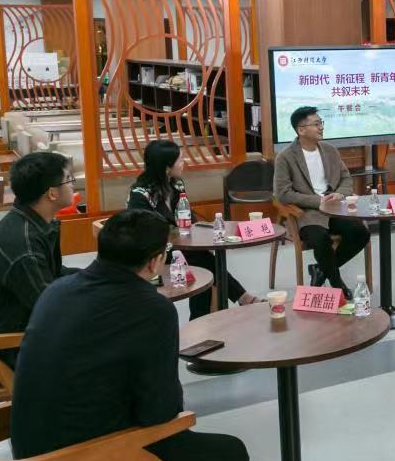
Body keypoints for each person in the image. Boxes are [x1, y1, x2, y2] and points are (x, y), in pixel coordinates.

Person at [11, 210, 248, 461]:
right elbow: (159, 413)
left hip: (27, 459)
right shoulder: (151, 309)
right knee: (229, 455)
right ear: (155, 261)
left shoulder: (57, 290)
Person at [0, 151, 78, 371]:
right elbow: (49, 307)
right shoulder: (24, 243)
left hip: (8, 332)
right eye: (69, 179)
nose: (73, 185)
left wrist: (98, 277)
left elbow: (54, 274)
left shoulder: (31, 222)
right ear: (52, 193)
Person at [128, 140, 262, 319]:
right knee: (204, 261)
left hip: (177, 246)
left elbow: (187, 217)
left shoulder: (176, 184)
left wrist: (198, 232)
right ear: (166, 167)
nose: (184, 163)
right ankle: (235, 301)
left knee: (203, 259)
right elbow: (143, 231)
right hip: (152, 252)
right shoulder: (140, 194)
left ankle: (207, 315)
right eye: (180, 160)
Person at [273, 106, 371, 299]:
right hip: (307, 212)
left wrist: (339, 194)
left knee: (360, 233)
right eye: (316, 124)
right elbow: (282, 193)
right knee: (320, 240)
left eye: (321, 123)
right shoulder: (285, 157)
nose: (321, 127)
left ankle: (320, 269)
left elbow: (346, 178)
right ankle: (337, 284)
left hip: (335, 208)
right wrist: (317, 201)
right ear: (301, 130)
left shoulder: (329, 150)